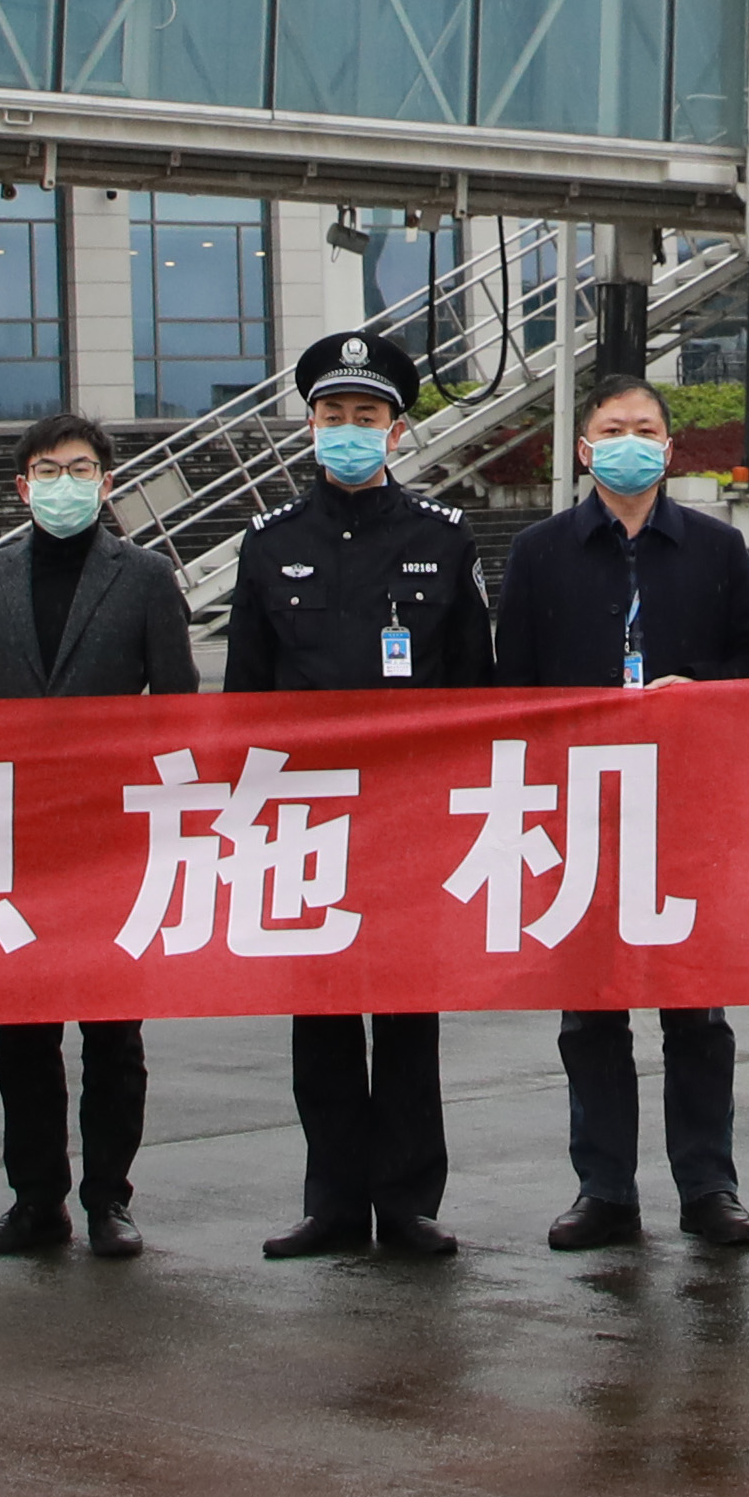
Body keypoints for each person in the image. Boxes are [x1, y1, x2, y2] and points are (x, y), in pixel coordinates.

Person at [494, 374, 749, 1252]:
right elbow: (511, 686)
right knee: (591, 1011)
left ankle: (708, 1184)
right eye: (612, 428)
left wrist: (701, 694)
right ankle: (604, 1188)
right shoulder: (540, 551)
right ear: (584, 448)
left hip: (688, 809)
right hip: (582, 812)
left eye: (645, 428)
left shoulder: (715, 547)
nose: (629, 440)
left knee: (696, 1008)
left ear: (669, 446)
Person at [229, 334, 497, 1259]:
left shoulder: (441, 537)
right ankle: (334, 1200)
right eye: (334, 416)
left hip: (411, 816)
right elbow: (245, 699)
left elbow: (474, 687)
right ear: (309, 424)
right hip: (308, 819)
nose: (350, 431)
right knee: (324, 1015)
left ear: (398, 428)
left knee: (408, 1013)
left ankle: (409, 1201)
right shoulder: (268, 546)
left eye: (367, 417)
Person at [0, 405, 201, 1258]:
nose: (65, 484)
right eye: (49, 471)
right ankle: (35, 1198)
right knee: (23, 1034)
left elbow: (179, 710)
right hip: (18, 840)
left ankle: (110, 1198)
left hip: (115, 835)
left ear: (107, 482)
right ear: (22, 485)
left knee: (113, 1033)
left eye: (81, 469)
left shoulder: (147, 578)